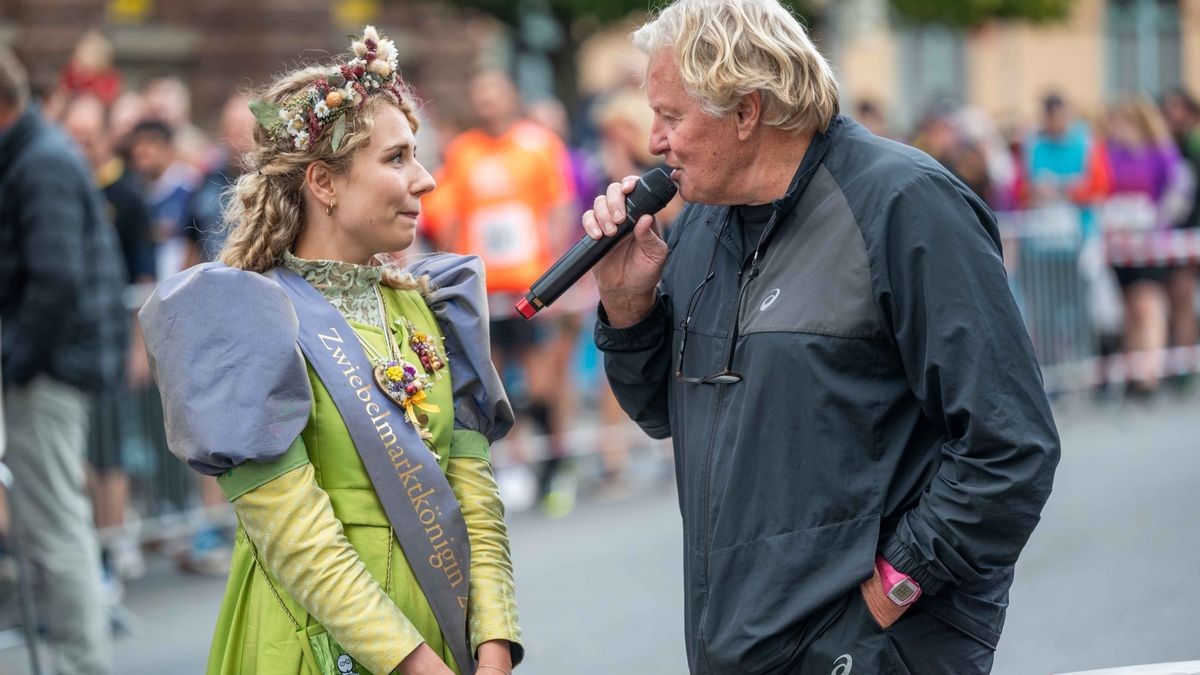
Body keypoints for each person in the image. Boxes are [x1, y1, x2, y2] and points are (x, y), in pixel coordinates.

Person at [583, 2, 1060, 672]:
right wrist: (627, 307)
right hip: (740, 640)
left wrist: (884, 600)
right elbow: (667, 415)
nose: (654, 141)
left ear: (746, 111)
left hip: (879, 645)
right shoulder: (699, 225)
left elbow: (1010, 446)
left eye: (670, 116)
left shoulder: (905, 204)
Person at [137, 26, 521, 675]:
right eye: (397, 158)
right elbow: (299, 541)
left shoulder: (433, 306)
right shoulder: (243, 321)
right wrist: (419, 666)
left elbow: (476, 500)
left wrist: (494, 646)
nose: (425, 180)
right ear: (324, 181)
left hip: (444, 633)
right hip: (314, 645)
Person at [0, 47, 125, 674]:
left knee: (55, 531)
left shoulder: (38, 162)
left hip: (48, 371)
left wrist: (19, 365)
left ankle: (82, 665)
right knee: (56, 526)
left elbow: (55, 279)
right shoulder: (34, 154)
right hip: (49, 364)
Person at [422, 69, 577, 516]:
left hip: (532, 286)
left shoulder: (538, 144)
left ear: (511, 97)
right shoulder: (464, 152)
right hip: (484, 288)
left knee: (543, 380)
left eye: (496, 95)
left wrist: (558, 277)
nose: (488, 103)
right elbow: (446, 217)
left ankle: (556, 465)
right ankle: (515, 468)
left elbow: (558, 209)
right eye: (481, 96)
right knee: (494, 384)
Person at [63, 94, 154, 584]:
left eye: (87, 137)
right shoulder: (63, 185)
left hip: (114, 335)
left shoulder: (127, 196)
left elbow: (141, 280)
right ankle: (95, 542)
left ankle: (113, 541)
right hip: (75, 343)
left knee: (112, 445)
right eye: (71, 137)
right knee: (83, 447)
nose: (79, 147)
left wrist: (138, 347)